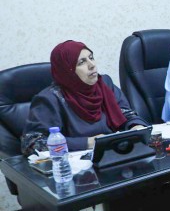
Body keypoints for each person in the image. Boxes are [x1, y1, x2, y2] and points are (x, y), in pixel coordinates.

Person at [21, 40, 149, 155]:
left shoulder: (104, 84)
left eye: (91, 58)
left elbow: (126, 113)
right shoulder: (50, 99)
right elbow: (32, 143)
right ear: (67, 70)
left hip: (113, 155)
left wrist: (136, 126)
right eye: (81, 62)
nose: (91, 65)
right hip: (76, 166)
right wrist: (88, 142)